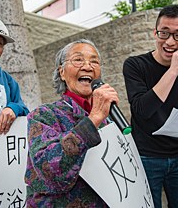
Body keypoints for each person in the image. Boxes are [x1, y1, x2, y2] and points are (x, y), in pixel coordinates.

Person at [123, 5, 178, 208]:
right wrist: (173, 71)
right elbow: (141, 110)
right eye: (164, 33)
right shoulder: (135, 65)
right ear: (155, 32)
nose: (169, 42)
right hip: (145, 157)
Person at [24, 39, 119, 207]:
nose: (88, 66)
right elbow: (49, 168)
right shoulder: (44, 115)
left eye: (94, 61)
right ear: (61, 72)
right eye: (78, 59)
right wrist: (93, 119)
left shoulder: (109, 118)